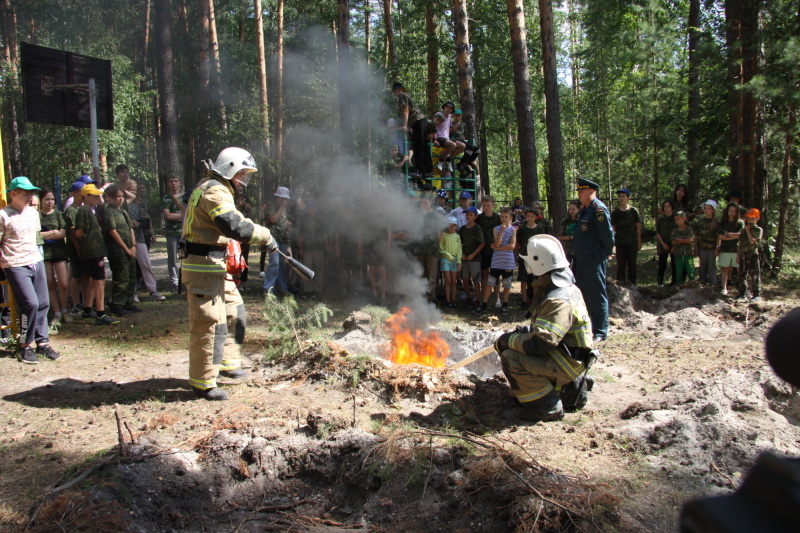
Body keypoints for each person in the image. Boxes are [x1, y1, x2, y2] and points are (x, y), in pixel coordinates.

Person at [182, 147, 277, 401]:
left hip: (215, 266)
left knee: (235, 312)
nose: (243, 181)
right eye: (242, 174)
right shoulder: (214, 189)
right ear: (230, 169)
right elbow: (232, 225)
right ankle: (203, 382)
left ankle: (228, 363)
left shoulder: (216, 187)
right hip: (202, 266)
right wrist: (264, 235)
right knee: (209, 323)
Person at [494, 234, 594, 423]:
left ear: (538, 263)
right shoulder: (562, 286)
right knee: (515, 355)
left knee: (511, 357)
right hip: (570, 355)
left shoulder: (557, 297)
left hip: (566, 360)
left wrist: (508, 340)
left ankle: (546, 408)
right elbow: (550, 328)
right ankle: (568, 389)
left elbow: (541, 343)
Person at [0, 177, 60, 363]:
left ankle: (42, 343)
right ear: (13, 194)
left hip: (36, 261)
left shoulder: (33, 214)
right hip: (15, 264)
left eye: (31, 193)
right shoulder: (4, 215)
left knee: (43, 303)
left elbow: (36, 238)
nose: (30, 197)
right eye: (26, 194)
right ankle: (25, 346)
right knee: (30, 304)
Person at [572, 178, 614, 342]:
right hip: (582, 258)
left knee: (596, 294)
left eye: (582, 191)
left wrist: (608, 251)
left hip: (594, 258)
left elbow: (607, 235)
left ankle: (601, 331)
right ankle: (588, 326)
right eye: (579, 191)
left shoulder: (598, 210)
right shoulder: (586, 210)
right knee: (583, 294)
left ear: (591, 191)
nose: (579, 194)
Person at [75, 184, 119, 325]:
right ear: (86, 197)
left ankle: (88, 310)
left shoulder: (91, 210)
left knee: (95, 280)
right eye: (94, 196)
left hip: (96, 250)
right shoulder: (83, 210)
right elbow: (79, 232)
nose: (97, 198)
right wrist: (88, 243)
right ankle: (100, 313)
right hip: (92, 251)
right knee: (100, 279)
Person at [103, 185, 139, 316]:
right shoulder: (109, 212)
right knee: (121, 277)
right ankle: (117, 304)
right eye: (118, 196)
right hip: (117, 251)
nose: (121, 199)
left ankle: (129, 302)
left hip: (130, 249)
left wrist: (134, 246)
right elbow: (113, 232)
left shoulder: (122, 211)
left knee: (131, 276)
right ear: (111, 198)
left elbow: (130, 228)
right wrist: (125, 248)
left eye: (122, 196)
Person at [127, 180, 165, 302]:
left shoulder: (139, 203)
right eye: (130, 189)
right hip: (127, 238)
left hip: (139, 236)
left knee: (146, 263)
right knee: (130, 267)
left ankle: (152, 290)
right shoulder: (123, 203)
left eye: (134, 189)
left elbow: (146, 218)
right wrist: (130, 222)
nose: (133, 191)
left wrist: (149, 230)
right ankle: (131, 292)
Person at [474, 207, 516, 316]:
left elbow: (512, 246)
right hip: (496, 262)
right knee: (490, 283)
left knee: (506, 285)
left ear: (511, 218)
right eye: (502, 217)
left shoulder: (513, 230)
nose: (504, 219)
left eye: (506, 217)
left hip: (508, 262)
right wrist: (501, 231)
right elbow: (497, 243)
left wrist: (498, 248)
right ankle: (484, 305)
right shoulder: (496, 229)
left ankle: (505, 305)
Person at [38, 187, 71, 323]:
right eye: (47, 199)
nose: (50, 202)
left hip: (59, 252)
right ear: (41, 200)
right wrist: (54, 232)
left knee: (63, 284)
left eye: (52, 199)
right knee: (50, 283)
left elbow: (63, 233)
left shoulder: (59, 214)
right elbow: (36, 235)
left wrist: (46, 234)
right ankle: (56, 313)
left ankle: (65, 310)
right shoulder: (37, 215)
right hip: (44, 254)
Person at [391, 82, 432, 176]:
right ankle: (428, 170)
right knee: (424, 144)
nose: (395, 95)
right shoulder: (406, 96)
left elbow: (405, 110)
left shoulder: (403, 96)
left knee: (419, 145)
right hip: (420, 121)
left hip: (417, 121)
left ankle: (420, 169)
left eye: (394, 92)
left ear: (398, 90)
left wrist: (405, 125)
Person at [262, 187, 292, 297]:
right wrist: (282, 207)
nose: (284, 201)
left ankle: (282, 289)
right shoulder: (271, 206)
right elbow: (273, 220)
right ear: (278, 197)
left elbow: (283, 222)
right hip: (272, 238)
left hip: (283, 239)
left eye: (285, 199)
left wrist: (288, 226)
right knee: (274, 263)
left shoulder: (284, 209)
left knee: (282, 265)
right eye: (283, 198)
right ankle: (268, 289)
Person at [516, 208, 548, 307]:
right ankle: (524, 300)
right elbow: (518, 242)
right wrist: (517, 254)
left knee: (535, 279)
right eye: (528, 216)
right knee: (523, 279)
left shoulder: (539, 229)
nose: (529, 218)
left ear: (536, 217)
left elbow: (542, 243)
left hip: (535, 258)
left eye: (532, 216)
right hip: (524, 256)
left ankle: (535, 301)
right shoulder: (522, 229)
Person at [63, 181, 87, 313]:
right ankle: (75, 302)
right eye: (80, 192)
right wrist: (78, 248)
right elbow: (72, 232)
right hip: (75, 248)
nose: (83, 195)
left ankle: (85, 302)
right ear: (74, 194)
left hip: (85, 247)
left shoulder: (84, 208)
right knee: (76, 275)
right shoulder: (71, 210)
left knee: (85, 275)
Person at [610, 188, 641, 286]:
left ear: (628, 198)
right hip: (620, 242)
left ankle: (633, 285)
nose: (621, 198)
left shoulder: (633, 211)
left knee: (632, 265)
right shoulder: (615, 213)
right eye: (619, 196)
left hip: (632, 242)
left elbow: (638, 228)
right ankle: (621, 286)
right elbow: (613, 228)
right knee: (621, 265)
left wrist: (639, 241)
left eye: (623, 196)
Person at [476, 195, 501, 304]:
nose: (486, 208)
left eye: (488, 205)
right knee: (484, 274)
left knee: (495, 275)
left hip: (495, 250)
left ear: (493, 205)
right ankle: (484, 297)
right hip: (483, 250)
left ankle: (497, 298)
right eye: (484, 205)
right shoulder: (479, 218)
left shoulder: (498, 218)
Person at [161, 174, 185, 292]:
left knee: (185, 257)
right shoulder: (166, 198)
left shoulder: (184, 197)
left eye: (176, 181)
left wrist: (181, 215)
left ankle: (184, 280)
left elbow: (190, 212)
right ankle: (174, 282)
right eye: (171, 181)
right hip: (171, 232)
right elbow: (168, 215)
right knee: (172, 259)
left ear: (179, 183)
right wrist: (182, 215)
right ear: (168, 184)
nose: (174, 183)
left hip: (184, 232)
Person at [458, 206, 484, 306]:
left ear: (475, 216)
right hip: (464, 258)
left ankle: (477, 299)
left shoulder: (477, 228)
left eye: (471, 215)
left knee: (476, 280)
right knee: (465, 279)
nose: (468, 216)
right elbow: (459, 243)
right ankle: (468, 297)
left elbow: (482, 243)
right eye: (467, 215)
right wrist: (462, 253)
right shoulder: (463, 229)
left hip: (475, 259)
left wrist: (473, 255)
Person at [716, 202, 743, 296]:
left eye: (734, 211)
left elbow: (740, 235)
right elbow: (720, 236)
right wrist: (733, 236)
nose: (732, 213)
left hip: (737, 249)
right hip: (725, 249)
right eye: (730, 210)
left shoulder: (740, 223)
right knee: (725, 269)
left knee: (739, 269)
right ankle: (724, 288)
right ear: (727, 211)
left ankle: (742, 289)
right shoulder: (723, 223)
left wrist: (727, 234)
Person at [737, 208, 762, 301]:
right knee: (742, 274)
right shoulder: (743, 230)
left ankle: (756, 294)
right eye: (748, 218)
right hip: (744, 254)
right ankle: (742, 293)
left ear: (757, 218)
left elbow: (752, 242)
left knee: (754, 275)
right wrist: (738, 256)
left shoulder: (758, 230)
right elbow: (740, 243)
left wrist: (748, 231)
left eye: (752, 218)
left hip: (752, 255)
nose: (750, 220)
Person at [693, 199, 719, 287]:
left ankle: (713, 283)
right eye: (705, 208)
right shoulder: (700, 222)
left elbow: (718, 236)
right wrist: (695, 246)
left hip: (712, 248)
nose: (706, 210)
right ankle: (702, 281)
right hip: (702, 247)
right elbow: (696, 235)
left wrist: (717, 248)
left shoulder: (716, 222)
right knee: (702, 265)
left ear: (713, 210)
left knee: (711, 266)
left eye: (708, 208)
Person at [439, 216, 462, 308]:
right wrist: (448, 255)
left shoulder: (457, 236)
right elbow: (440, 248)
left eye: (453, 225)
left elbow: (459, 249)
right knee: (447, 280)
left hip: (455, 259)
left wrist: (459, 262)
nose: (451, 227)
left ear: (456, 226)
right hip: (445, 259)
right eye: (449, 225)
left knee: (454, 281)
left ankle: (453, 300)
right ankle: (448, 300)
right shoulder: (443, 235)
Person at [656, 199, 677, 287]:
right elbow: (657, 232)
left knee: (674, 264)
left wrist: (674, 246)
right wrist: (662, 243)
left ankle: (674, 282)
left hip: (674, 244)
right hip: (663, 244)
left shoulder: (676, 218)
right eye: (665, 206)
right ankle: (660, 282)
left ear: (672, 207)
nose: (666, 208)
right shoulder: (661, 219)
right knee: (662, 264)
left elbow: (679, 232)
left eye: (668, 206)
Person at [671, 211, 695, 285]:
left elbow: (690, 240)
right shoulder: (675, 230)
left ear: (684, 219)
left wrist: (679, 240)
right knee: (679, 270)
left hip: (688, 253)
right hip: (678, 253)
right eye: (675, 219)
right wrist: (684, 240)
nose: (676, 221)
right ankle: (679, 284)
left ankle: (693, 282)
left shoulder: (689, 229)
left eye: (678, 219)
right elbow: (673, 242)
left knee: (690, 269)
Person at [558, 200, 580, 267]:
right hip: (567, 250)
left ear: (578, 209)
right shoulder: (565, 221)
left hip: (579, 250)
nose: (571, 211)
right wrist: (570, 237)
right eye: (570, 209)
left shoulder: (581, 221)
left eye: (573, 209)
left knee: (577, 270)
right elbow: (560, 237)